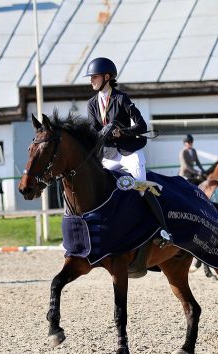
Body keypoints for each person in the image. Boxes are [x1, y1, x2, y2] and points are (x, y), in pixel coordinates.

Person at [85, 56, 171, 247]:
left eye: (94, 77)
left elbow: (141, 125)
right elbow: (93, 130)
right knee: (97, 186)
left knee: (140, 186)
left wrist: (121, 132)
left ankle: (163, 229)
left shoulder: (121, 98)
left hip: (128, 151)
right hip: (108, 154)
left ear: (107, 77)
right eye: (91, 77)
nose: (91, 80)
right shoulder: (92, 103)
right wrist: (103, 134)